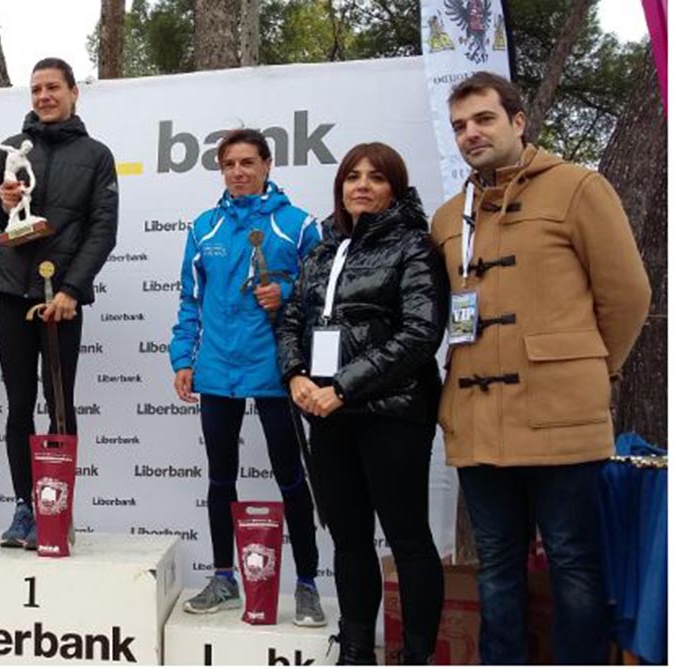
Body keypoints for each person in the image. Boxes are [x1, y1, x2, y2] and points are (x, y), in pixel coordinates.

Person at [432, 71, 650, 664]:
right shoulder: (450, 217)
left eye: (483, 119)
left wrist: (584, 369)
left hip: (561, 419)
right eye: (459, 126)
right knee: (497, 566)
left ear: (518, 121)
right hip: (478, 421)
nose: (470, 134)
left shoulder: (579, 189)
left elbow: (628, 296)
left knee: (573, 559)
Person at [276, 143, 449, 664]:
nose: (363, 186)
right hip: (327, 415)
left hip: (393, 412)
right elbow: (289, 321)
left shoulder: (414, 247)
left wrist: (345, 385)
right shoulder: (323, 250)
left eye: (376, 177)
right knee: (349, 541)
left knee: (408, 539)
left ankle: (414, 656)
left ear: (394, 186)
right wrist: (295, 376)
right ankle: (355, 650)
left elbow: (421, 332)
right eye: (353, 176)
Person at [168, 128, 325, 626]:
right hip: (216, 369)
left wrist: (283, 290)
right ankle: (224, 579)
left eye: (247, 163)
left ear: (267, 165)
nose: (238, 172)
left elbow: (322, 294)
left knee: (292, 479)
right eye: (230, 164)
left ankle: (306, 584)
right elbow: (189, 300)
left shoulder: (297, 225)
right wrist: (182, 359)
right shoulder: (205, 227)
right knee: (220, 479)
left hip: (277, 370)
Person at [0, 56, 118, 549]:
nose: (43, 97)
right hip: (13, 291)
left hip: (62, 299)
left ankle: (57, 507)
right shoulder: (10, 150)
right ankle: (23, 508)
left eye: (53, 87)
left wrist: (72, 290)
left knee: (59, 402)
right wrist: (6, 203)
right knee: (18, 404)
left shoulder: (97, 155)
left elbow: (103, 230)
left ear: (74, 92)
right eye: (36, 89)